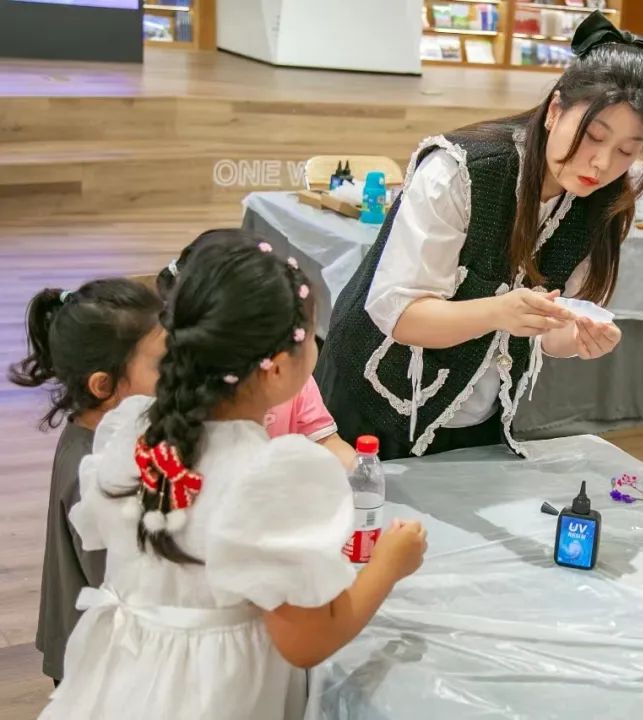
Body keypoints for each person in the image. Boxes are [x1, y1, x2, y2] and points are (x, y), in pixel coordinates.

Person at [41, 235, 427, 720]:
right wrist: (388, 565)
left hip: (129, 673)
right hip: (213, 695)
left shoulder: (133, 428)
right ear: (279, 369)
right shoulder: (270, 475)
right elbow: (308, 640)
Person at [316, 12, 643, 459]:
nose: (601, 164)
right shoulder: (460, 171)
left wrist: (577, 339)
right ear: (555, 111)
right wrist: (499, 312)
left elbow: (546, 333)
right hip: (371, 400)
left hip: (476, 417)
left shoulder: (601, 205)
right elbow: (401, 315)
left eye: (626, 151)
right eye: (593, 137)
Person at [8, 279, 164, 686]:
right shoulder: (96, 469)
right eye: (162, 365)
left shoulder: (97, 433)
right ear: (104, 386)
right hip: (99, 665)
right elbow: (123, 586)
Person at [157, 229, 356, 470]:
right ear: (277, 368)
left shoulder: (299, 385)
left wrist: (360, 467)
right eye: (312, 336)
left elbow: (327, 441)